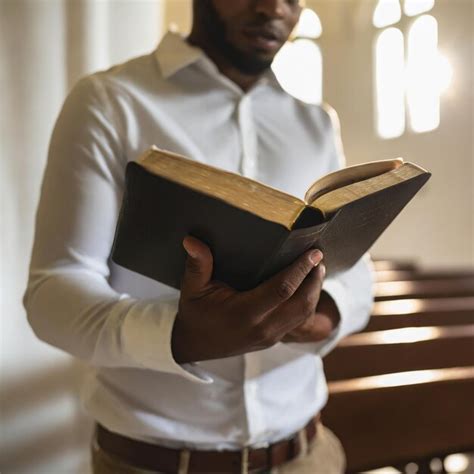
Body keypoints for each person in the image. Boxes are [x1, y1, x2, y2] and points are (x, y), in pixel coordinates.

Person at [24, 1, 373, 473]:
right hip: (155, 463)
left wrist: (324, 313)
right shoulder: (111, 100)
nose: (274, 8)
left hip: (309, 454)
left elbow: (357, 268)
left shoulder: (315, 122)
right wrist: (180, 336)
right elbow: (53, 291)